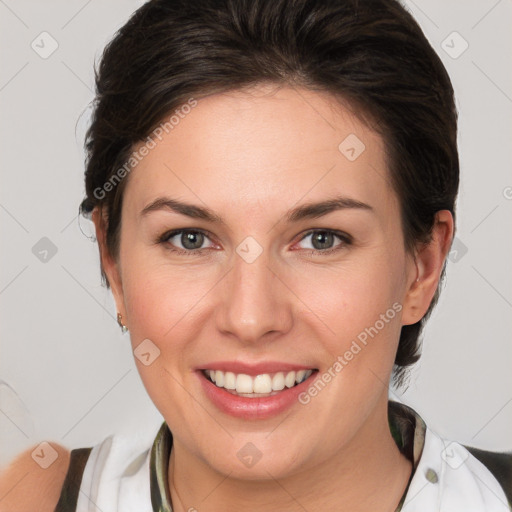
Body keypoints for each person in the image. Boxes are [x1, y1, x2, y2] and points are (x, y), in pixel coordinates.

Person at [1, 0, 510, 510]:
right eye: (190, 239)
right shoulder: (34, 496)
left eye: (321, 239)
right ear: (113, 265)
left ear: (421, 267)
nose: (250, 318)